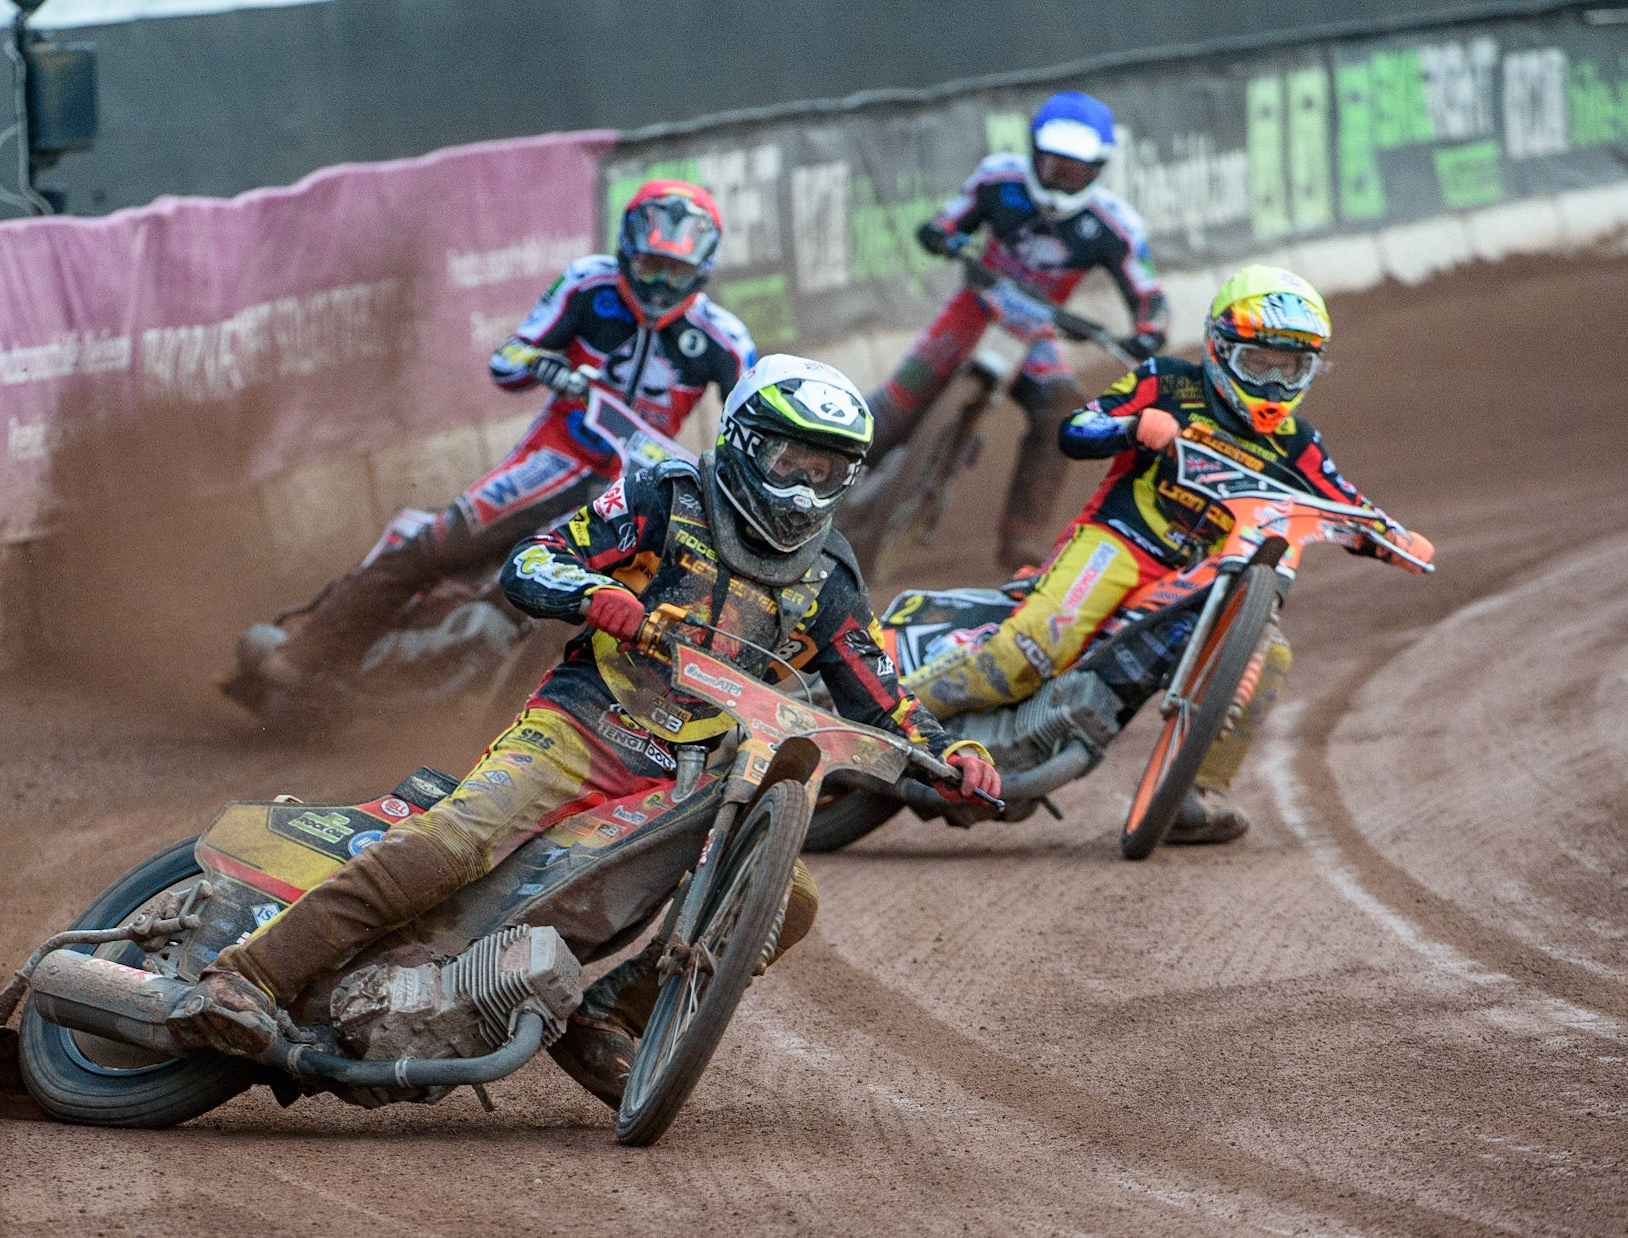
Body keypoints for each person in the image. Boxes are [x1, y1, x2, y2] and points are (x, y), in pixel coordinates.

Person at [172, 354, 1002, 1105]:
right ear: (746, 442)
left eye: (825, 472)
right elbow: (532, 561)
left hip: (689, 777)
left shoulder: (829, 577)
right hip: (580, 725)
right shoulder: (663, 497)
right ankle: (247, 975)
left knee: (789, 898)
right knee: (457, 842)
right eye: (789, 461)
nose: (801, 489)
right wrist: (591, 593)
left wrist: (955, 753)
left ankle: (608, 1019)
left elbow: (878, 698)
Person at [899, 265, 1434, 842]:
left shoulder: (1298, 443)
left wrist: (1396, 537)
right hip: (1120, 542)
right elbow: (1076, 428)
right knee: (1035, 646)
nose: (1275, 382)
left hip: (1202, 578)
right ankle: (887, 712)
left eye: (1292, 367)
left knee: (1268, 653)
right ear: (1222, 349)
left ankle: (1195, 791)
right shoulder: (1168, 383)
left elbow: (1345, 500)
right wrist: (1132, 426)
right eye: (1261, 363)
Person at [248, 179, 755, 700]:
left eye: (676, 271)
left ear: (703, 271)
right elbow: (506, 361)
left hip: (631, 490)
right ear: (626, 252)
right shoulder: (589, 285)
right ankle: (307, 655)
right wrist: (549, 368)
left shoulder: (725, 340)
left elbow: (753, 424)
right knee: (443, 541)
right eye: (650, 265)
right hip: (551, 458)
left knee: (565, 602)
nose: (659, 286)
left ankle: (474, 704)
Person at [870, 90, 1169, 570]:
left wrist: (1149, 330)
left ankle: (1021, 542)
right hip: (973, 309)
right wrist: (940, 233)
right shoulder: (998, 179)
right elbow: (951, 219)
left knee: (1061, 414)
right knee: (887, 413)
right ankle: (817, 484)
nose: (1060, 177)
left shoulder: (1115, 224)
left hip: (1037, 332)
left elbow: (1148, 291)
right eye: (1052, 163)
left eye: (1075, 168)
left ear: (1099, 167)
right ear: (1033, 150)